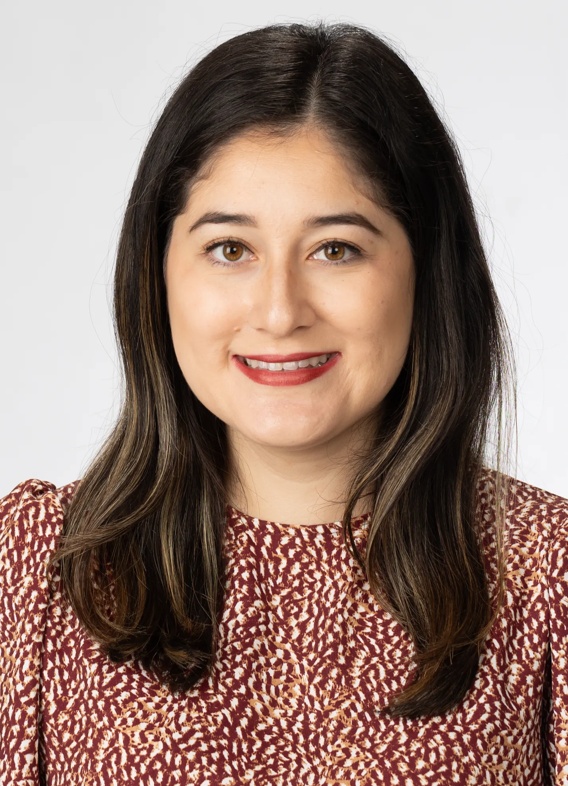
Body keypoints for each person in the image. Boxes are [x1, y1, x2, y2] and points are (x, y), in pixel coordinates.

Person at [1, 21, 566, 785]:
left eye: (336, 249)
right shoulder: (37, 569)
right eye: (230, 249)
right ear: (157, 270)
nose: (278, 310)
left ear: (426, 270)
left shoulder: (548, 578)